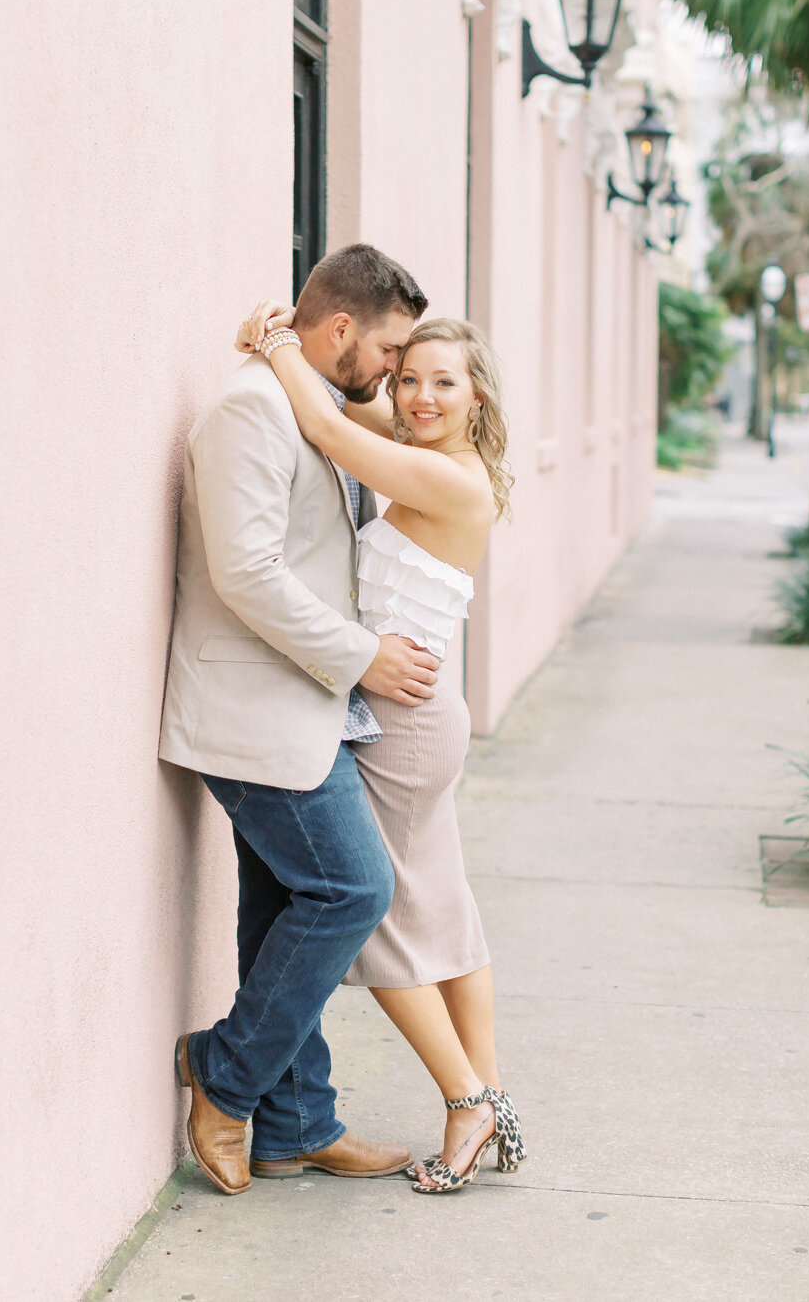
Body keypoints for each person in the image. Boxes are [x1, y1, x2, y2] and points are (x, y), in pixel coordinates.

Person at [159, 244, 435, 1196]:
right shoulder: (250, 411)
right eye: (391, 349)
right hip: (250, 707)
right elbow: (246, 574)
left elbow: (358, 432)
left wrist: (279, 339)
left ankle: (296, 1123)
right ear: (343, 329)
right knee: (352, 893)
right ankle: (224, 1075)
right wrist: (366, 656)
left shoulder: (313, 403)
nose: (395, 373)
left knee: (284, 904)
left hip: (303, 708)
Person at [237, 301, 526, 1194]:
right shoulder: (433, 453)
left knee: (384, 923)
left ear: (479, 395)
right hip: (423, 711)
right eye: (410, 378)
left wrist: (278, 346)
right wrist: (311, 355)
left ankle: (468, 1098)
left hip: (402, 720)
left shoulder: (450, 478)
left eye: (445, 381)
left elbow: (326, 421)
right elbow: (349, 407)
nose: (421, 395)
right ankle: (490, 1099)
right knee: (443, 905)